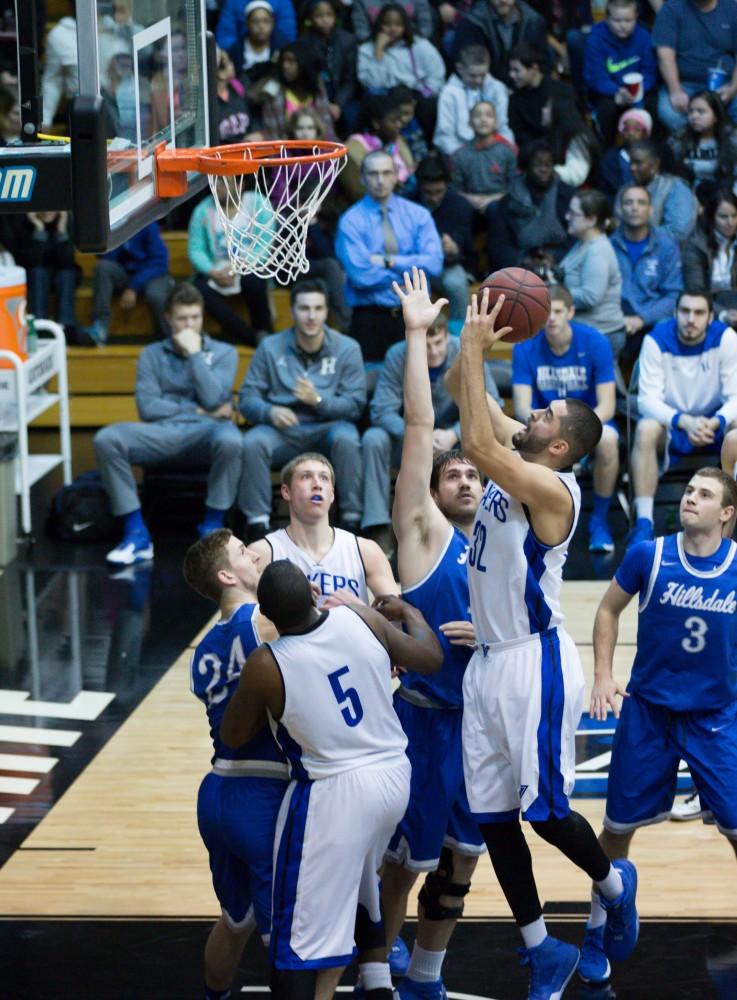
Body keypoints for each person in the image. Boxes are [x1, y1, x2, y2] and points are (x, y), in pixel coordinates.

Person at [444, 288, 639, 997]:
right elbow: (459, 398)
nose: (534, 410)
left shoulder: (551, 489)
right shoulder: (520, 448)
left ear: (558, 445)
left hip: (534, 663)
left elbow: (472, 441)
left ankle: (613, 885)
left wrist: (476, 350)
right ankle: (540, 949)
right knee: (493, 820)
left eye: (546, 414)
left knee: (547, 814)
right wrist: (463, 343)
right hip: (487, 664)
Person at [220, 561, 444, 998]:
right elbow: (431, 658)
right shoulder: (358, 616)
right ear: (312, 590)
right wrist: (412, 614)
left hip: (336, 794)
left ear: (266, 612)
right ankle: (377, 981)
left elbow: (232, 734)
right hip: (394, 777)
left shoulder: (267, 663)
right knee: (358, 880)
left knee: (298, 944)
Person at [378, 269, 487, 1000]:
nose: (464, 480)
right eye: (451, 476)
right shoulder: (424, 537)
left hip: (484, 725)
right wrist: (419, 336)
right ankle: (371, 961)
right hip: (422, 723)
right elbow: (424, 429)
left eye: (472, 474)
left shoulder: (509, 551)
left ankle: (425, 973)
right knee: (406, 865)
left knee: (462, 863)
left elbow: (487, 435)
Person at [589, 468, 737, 980]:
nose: (691, 498)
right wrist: (604, 673)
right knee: (615, 829)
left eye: (705, 494)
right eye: (690, 490)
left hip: (715, 716)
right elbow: (608, 610)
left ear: (727, 514)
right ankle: (598, 924)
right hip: (649, 711)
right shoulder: (648, 554)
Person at [183, 529, 288, 1000]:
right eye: (244, 552)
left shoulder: (202, 650)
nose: (255, 555)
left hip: (217, 793)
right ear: (228, 575)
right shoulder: (264, 623)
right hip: (262, 794)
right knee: (286, 935)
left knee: (234, 918)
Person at [95, 284, 243, 565]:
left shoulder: (225, 353)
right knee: (107, 438)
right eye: (182, 319)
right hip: (163, 433)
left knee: (232, 440)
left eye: (195, 318)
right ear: (168, 319)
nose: (189, 325)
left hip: (207, 434)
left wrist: (195, 355)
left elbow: (215, 396)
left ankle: (212, 528)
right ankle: (136, 533)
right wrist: (199, 410)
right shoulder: (151, 354)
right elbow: (148, 408)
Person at [361, 307, 500, 551]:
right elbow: (381, 410)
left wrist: (454, 433)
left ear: (447, 336)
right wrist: (420, 438)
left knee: (486, 438)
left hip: (457, 439)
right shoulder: (399, 355)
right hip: (410, 437)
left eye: (439, 343)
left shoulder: (464, 351)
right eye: (427, 345)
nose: (434, 351)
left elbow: (492, 407)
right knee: (374, 439)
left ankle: (483, 519)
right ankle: (378, 526)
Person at [238, 282, 366, 538]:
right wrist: (269, 412)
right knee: (253, 441)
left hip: (328, 427)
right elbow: (247, 398)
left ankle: (351, 520)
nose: (311, 315)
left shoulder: (347, 348)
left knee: (348, 437)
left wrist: (318, 400)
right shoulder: (270, 347)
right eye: (304, 308)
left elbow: (355, 406)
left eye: (318, 308)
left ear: (326, 311)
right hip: (283, 429)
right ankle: (258, 523)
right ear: (293, 311)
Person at [512, 284, 620, 553]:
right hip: (545, 425)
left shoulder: (595, 341)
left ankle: (600, 521)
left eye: (558, 311)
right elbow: (522, 405)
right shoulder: (525, 347)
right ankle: (523, 526)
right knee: (512, 435)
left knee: (607, 441)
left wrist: (578, 439)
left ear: (570, 312)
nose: (551, 318)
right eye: (547, 312)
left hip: (588, 425)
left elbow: (607, 404)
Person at [628, 290, 737, 547]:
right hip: (674, 425)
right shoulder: (656, 339)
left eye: (699, 313)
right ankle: (644, 523)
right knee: (645, 428)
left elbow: (735, 395)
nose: (691, 319)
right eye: (685, 311)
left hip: (714, 424)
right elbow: (646, 401)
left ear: (710, 317)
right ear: (675, 313)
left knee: (736, 430)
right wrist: (684, 421)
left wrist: (717, 421)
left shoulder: (725, 338)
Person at [246, 451, 398, 614]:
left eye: (324, 478)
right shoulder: (262, 553)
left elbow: (398, 620)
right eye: (306, 477)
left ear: (332, 494)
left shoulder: (366, 550)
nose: (317, 484)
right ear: (286, 491)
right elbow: (247, 624)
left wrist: (358, 610)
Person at [335, 150, 443, 363]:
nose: (380, 180)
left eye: (386, 172)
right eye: (373, 174)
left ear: (396, 175)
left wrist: (389, 262)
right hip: (370, 318)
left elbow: (434, 264)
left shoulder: (418, 215)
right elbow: (361, 277)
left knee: (417, 387)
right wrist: (411, 275)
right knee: (371, 386)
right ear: (362, 178)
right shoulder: (350, 221)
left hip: (416, 314)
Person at [188, 179, 273, 347]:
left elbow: (266, 243)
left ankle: (265, 330)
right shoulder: (203, 210)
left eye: (222, 182)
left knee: (254, 280)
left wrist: (241, 266)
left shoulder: (257, 203)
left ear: (240, 184)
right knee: (199, 289)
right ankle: (251, 338)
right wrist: (211, 271)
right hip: (217, 268)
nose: (217, 187)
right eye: (215, 182)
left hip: (250, 265)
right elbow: (196, 249)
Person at [609, 184, 683, 351]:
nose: (634, 207)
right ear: (620, 210)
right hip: (617, 318)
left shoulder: (667, 245)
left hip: (654, 317)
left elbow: (673, 295)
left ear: (650, 209)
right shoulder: (607, 246)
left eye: (641, 203)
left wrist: (643, 318)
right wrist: (619, 318)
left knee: (667, 329)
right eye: (628, 203)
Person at [356, 4, 446, 138]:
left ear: (405, 25)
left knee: (429, 106)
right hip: (384, 95)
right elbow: (373, 83)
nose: (393, 29)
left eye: (398, 25)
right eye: (387, 24)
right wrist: (378, 51)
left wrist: (427, 92)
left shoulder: (419, 45)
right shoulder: (366, 49)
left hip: (414, 93)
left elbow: (436, 72)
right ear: (379, 24)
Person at [487, 140, 574, 271]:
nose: (544, 170)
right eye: (537, 165)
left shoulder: (567, 195)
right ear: (526, 167)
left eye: (548, 165)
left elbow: (578, 238)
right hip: (520, 266)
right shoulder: (510, 200)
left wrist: (556, 257)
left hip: (562, 263)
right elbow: (499, 244)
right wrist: (522, 261)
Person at [652, 0, 737, 133]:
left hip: (726, 83)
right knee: (669, 113)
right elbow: (665, 53)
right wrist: (675, 90)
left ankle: (725, 143)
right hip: (684, 83)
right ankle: (697, 144)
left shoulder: (733, 8)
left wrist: (733, 87)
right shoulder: (671, 8)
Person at [84, 222, 174, 345]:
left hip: (151, 273)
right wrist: (108, 240)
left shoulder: (147, 223)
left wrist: (133, 287)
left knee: (155, 295)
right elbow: (106, 258)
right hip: (125, 272)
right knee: (102, 268)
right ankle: (100, 326)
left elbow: (159, 262)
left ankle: (166, 339)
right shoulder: (113, 225)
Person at [561, 189, 627, 358]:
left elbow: (591, 296)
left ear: (591, 220)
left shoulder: (598, 250)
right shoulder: (582, 244)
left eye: (573, 213)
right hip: (587, 331)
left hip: (601, 334)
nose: (567, 217)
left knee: (605, 384)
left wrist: (555, 295)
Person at [582, 0, 658, 144]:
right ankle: (607, 152)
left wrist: (636, 92)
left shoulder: (644, 38)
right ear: (607, 19)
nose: (623, 25)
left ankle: (650, 150)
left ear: (636, 17)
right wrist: (617, 91)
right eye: (617, 20)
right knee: (607, 111)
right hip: (609, 94)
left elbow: (650, 73)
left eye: (628, 20)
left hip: (640, 91)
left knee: (654, 106)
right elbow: (597, 79)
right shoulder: (595, 40)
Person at [412, 155, 475, 322]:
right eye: (428, 192)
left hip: (446, 265)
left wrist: (454, 249)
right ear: (420, 187)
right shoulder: (407, 202)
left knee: (456, 284)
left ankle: (457, 337)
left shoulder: (460, 205)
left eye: (439, 192)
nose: (433, 197)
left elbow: (464, 246)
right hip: (412, 264)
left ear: (447, 185)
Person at [614, 139, 698, 246]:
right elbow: (617, 226)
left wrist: (637, 234)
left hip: (670, 257)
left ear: (655, 164)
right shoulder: (625, 190)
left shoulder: (675, 188)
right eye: (631, 162)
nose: (632, 168)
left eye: (638, 163)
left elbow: (677, 232)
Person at [433, 44, 513, 157]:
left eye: (483, 75)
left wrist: (506, 152)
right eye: (473, 76)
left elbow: (502, 126)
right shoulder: (449, 93)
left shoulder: (497, 88)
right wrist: (469, 158)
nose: (478, 80)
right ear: (459, 68)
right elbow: (445, 137)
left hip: (494, 149)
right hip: (461, 151)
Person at [452, 0, 550, 87]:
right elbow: (470, 69)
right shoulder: (471, 24)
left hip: (525, 91)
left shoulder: (534, 21)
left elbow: (543, 64)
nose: (502, 1)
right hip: (485, 91)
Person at [341, 94, 417, 204]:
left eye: (399, 120)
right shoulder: (353, 148)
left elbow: (411, 169)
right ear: (376, 123)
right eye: (393, 121)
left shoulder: (397, 141)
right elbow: (359, 190)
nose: (399, 125)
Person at [450, 101, 518, 216]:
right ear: (470, 123)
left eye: (489, 115)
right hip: (470, 202)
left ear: (496, 123)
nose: (483, 119)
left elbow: (516, 185)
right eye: (477, 115)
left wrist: (493, 199)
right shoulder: (459, 155)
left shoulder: (508, 151)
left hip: (500, 201)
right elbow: (455, 189)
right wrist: (471, 199)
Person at [301, 0, 358, 134]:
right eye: (319, 16)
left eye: (329, 15)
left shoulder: (348, 40)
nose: (325, 20)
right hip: (317, 95)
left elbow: (350, 79)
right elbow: (307, 78)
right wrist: (324, 103)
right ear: (311, 18)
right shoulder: (304, 43)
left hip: (343, 96)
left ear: (335, 16)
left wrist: (338, 104)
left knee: (352, 117)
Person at [666, 90, 737, 200]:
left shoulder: (732, 139)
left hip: (724, 197)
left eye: (701, 112)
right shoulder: (678, 140)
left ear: (715, 115)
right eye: (691, 112)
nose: (694, 116)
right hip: (687, 197)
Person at [683, 188, 737, 328]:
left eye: (734, 216)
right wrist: (723, 314)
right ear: (712, 217)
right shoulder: (696, 245)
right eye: (723, 217)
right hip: (707, 306)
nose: (730, 222)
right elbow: (695, 291)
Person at [216, 0, 296, 70]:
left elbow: (288, 36)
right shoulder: (236, 51)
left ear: (273, 23)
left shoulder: (280, 49)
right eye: (255, 21)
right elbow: (225, 33)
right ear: (247, 24)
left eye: (265, 21)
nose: (260, 26)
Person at [351, 0, 435, 43]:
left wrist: (411, 41)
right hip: (377, 44)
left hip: (412, 42)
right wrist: (376, 43)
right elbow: (361, 32)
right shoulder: (361, 1)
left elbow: (426, 27)